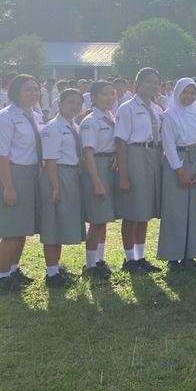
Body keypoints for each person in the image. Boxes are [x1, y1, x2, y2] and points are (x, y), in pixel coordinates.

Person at [0, 74, 43, 292]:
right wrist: (9, 187)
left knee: (22, 227)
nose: (33, 93)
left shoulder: (34, 116)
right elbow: (0, 156)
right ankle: (1, 278)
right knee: (11, 229)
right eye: (27, 89)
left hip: (29, 174)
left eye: (35, 89)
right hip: (10, 174)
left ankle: (13, 271)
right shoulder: (3, 118)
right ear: (15, 92)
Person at [114, 67, 164, 274]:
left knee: (145, 211)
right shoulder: (127, 108)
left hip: (153, 157)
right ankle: (129, 259)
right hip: (135, 155)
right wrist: (124, 175)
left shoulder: (158, 109)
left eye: (156, 82)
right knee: (133, 211)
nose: (152, 86)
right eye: (148, 81)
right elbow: (120, 142)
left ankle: (141, 256)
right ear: (137, 84)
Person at [157, 78, 196, 271]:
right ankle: (173, 256)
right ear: (177, 93)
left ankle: (190, 254)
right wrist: (179, 170)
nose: (188, 96)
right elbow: (168, 145)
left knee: (194, 210)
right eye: (184, 92)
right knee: (175, 209)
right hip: (175, 162)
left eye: (192, 93)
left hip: (195, 161)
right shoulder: (169, 116)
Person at [37, 88, 85, 288]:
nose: (74, 106)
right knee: (53, 224)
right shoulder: (52, 128)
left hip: (71, 175)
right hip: (57, 175)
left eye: (78, 103)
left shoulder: (74, 126)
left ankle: (56, 269)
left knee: (62, 222)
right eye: (70, 102)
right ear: (60, 105)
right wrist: (55, 187)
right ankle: (52, 273)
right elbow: (50, 160)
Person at [79, 81, 119, 280]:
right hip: (97, 168)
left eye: (112, 94)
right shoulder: (91, 121)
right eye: (105, 94)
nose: (110, 98)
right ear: (93, 98)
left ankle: (99, 260)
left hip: (109, 167)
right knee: (96, 220)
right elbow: (88, 154)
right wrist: (96, 182)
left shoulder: (110, 117)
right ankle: (90, 265)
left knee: (103, 219)